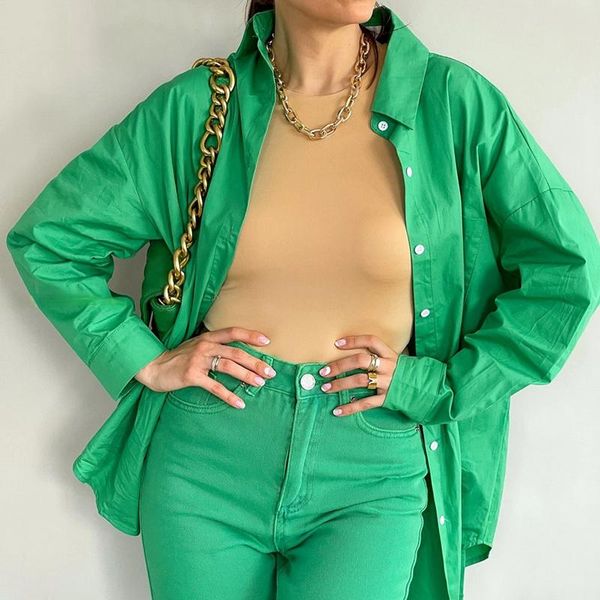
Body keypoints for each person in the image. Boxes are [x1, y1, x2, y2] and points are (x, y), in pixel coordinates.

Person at [6, 1, 600, 599]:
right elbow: (50, 241)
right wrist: (146, 358)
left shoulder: (451, 102)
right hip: (205, 459)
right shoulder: (202, 106)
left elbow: (567, 271)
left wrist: (439, 386)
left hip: (372, 469)